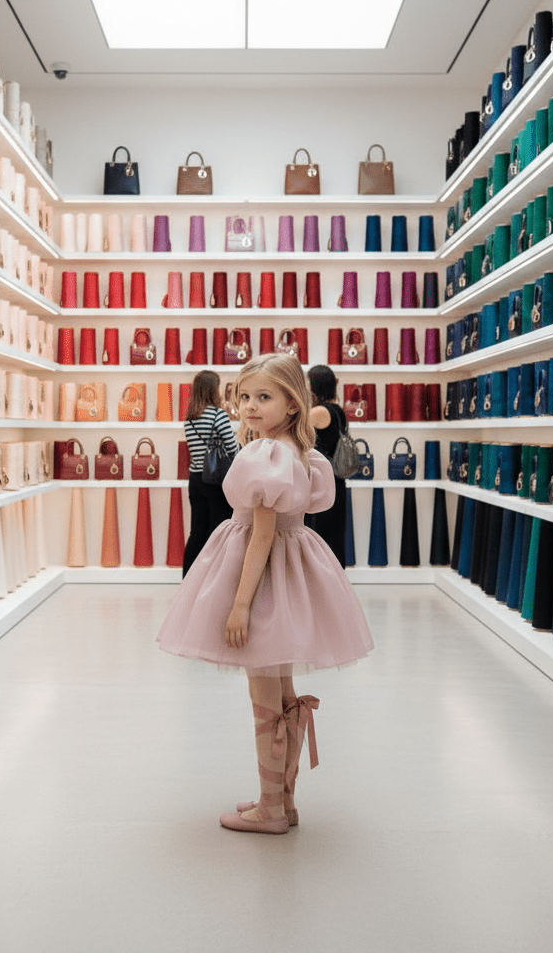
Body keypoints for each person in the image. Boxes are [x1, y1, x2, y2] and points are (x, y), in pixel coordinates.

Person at [157, 353, 373, 834]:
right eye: (245, 396)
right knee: (283, 686)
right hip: (293, 567)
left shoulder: (264, 453)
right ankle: (282, 800)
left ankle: (269, 809)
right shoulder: (302, 454)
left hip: (264, 573)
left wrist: (239, 603)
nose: (250, 406)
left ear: (293, 404)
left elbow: (260, 532)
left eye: (264, 397)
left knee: (263, 690)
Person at [182, 370, 239, 577]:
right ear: (212, 391)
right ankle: (215, 579)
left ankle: (189, 578)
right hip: (215, 479)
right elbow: (233, 448)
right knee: (219, 531)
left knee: (197, 532)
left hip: (195, 479)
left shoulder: (189, 419)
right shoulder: (218, 415)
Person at [303, 364, 348, 568]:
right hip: (336, 479)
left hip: (320, 479)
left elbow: (301, 439)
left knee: (318, 534)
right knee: (334, 534)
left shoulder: (318, 412)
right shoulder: (338, 410)